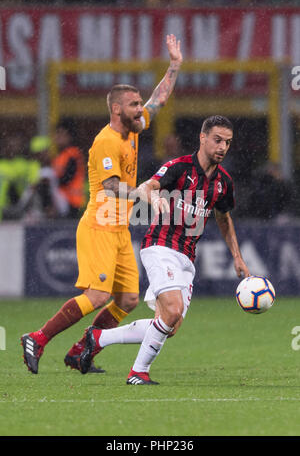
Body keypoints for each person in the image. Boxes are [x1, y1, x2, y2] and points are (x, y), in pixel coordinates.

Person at [21, 34, 183, 375]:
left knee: (127, 300)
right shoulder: (105, 142)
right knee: (97, 295)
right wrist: (142, 192)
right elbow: (109, 187)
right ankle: (37, 337)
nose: (141, 109)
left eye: (139, 104)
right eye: (134, 104)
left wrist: (174, 65)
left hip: (120, 227)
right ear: (116, 109)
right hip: (99, 223)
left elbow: (159, 100)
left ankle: (81, 350)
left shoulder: (134, 129)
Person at [78, 115, 251, 384]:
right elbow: (149, 185)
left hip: (186, 257)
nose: (222, 147)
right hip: (160, 246)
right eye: (217, 140)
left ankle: (99, 336)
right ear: (202, 138)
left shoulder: (223, 182)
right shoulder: (179, 167)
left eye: (227, 142)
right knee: (171, 311)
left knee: (170, 325)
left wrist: (237, 257)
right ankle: (138, 373)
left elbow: (224, 217)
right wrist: (154, 195)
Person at [51, 119, 86, 219]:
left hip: (71, 201)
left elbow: (66, 178)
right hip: (63, 201)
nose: (57, 137)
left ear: (69, 136)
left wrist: (52, 182)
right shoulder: (60, 156)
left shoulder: (73, 154)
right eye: (56, 134)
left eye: (61, 134)